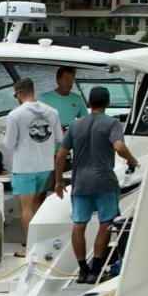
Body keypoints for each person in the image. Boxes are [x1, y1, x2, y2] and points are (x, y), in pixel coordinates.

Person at [54, 85, 139, 284]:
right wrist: (132, 160)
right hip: (104, 182)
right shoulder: (112, 123)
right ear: (107, 103)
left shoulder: (75, 125)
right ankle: (96, 270)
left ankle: (82, 270)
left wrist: (58, 180)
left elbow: (60, 155)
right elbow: (119, 146)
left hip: (80, 183)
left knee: (78, 225)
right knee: (106, 224)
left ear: (88, 103)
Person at [1, 78, 63, 258]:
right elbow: (59, 138)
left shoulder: (15, 115)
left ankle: (28, 247)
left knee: (26, 208)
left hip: (25, 167)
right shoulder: (52, 112)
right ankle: (39, 243)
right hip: (46, 166)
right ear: (32, 90)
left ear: (19, 93)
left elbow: (9, 143)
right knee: (38, 205)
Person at [45, 66, 89, 131]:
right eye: (66, 79)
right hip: (49, 137)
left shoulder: (77, 98)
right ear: (58, 80)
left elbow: (86, 121)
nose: (69, 82)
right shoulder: (43, 99)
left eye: (72, 79)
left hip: (69, 137)